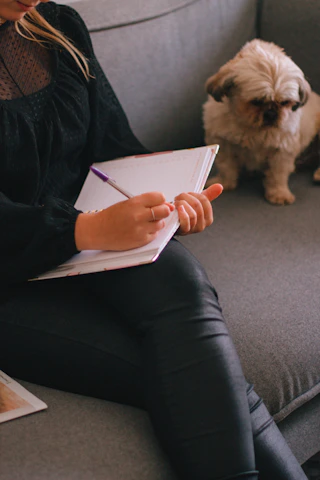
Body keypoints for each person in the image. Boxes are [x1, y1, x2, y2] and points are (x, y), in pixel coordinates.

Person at [0, 1, 308, 479]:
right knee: (188, 374)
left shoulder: (57, 27)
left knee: (184, 294)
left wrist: (166, 199)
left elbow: (112, 144)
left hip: (87, 234)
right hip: (13, 273)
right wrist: (85, 228)